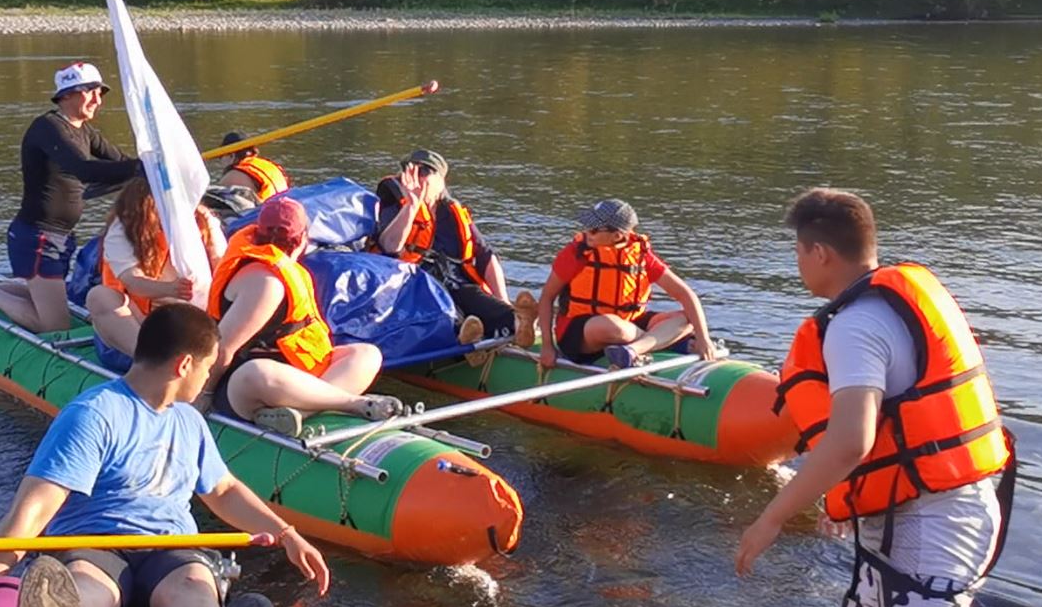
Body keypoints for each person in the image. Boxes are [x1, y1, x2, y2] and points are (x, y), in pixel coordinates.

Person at [735, 189, 1013, 607]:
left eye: (799, 252)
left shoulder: (856, 325)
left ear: (821, 253)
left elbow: (851, 442)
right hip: (941, 511)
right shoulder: (888, 305)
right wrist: (849, 495)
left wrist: (771, 518)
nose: (798, 263)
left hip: (930, 527)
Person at [0, 303, 330, 607]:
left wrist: (286, 534)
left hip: (171, 548)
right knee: (88, 593)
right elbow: (36, 507)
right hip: (96, 544)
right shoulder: (93, 414)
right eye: (207, 368)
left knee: (194, 594)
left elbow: (223, 491)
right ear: (184, 365)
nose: (209, 376)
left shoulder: (189, 420)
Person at [0, 62, 142, 335]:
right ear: (67, 95)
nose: (98, 100)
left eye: (101, 93)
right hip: (37, 238)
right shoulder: (48, 128)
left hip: (61, 238)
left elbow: (120, 162)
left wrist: (151, 165)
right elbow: (83, 169)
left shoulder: (84, 131)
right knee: (54, 324)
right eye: (90, 92)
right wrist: (138, 168)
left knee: (46, 296)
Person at [206, 196, 402, 437]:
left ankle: (301, 413)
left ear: (257, 233)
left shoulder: (284, 270)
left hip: (298, 377)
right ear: (302, 240)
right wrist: (202, 400)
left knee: (366, 354)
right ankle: (352, 403)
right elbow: (222, 349)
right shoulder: (266, 283)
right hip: (245, 389)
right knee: (258, 373)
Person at [373, 149, 537, 358]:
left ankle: (517, 324)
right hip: (415, 285)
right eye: (410, 171)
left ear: (441, 180)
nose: (417, 177)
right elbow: (389, 246)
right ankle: (467, 338)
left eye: (425, 171)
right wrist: (411, 206)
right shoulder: (395, 204)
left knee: (482, 301)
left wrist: (503, 299)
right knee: (447, 310)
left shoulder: (452, 212)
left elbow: (486, 256)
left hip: (455, 281)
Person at [535, 199, 717, 370]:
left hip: (630, 324)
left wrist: (704, 339)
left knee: (687, 319)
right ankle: (661, 341)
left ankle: (633, 350)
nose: (587, 232)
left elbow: (686, 295)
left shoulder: (642, 257)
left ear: (617, 235)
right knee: (613, 327)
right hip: (584, 332)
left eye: (594, 229)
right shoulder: (576, 254)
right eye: (587, 227)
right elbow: (547, 297)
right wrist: (547, 346)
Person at [86, 177, 227, 372]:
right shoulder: (123, 229)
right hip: (143, 322)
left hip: (194, 320)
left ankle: (202, 365)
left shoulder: (202, 220)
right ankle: (152, 364)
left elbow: (222, 265)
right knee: (99, 296)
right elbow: (133, 282)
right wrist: (170, 289)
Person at [215, 132, 290, 203]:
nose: (220, 162)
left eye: (220, 156)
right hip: (282, 209)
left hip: (262, 213)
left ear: (231, 155)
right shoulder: (267, 165)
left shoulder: (234, 176)